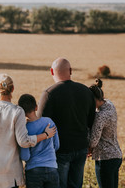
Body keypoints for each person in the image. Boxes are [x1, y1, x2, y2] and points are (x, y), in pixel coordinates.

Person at [0, 74, 57, 188]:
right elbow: (23, 141)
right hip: (8, 172)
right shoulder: (17, 112)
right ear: (12, 89)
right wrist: (46, 134)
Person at [37, 57, 96, 188]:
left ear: (52, 71)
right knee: (75, 185)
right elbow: (92, 121)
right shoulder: (86, 91)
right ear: (71, 71)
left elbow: (41, 124)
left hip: (60, 150)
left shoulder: (49, 94)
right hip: (81, 148)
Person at [18, 94, 60, 188]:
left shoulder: (24, 130)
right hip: (52, 167)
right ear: (36, 107)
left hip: (33, 171)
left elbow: (26, 156)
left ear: (21, 112)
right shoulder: (49, 122)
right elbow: (56, 145)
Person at [88, 79, 122, 188]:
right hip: (116, 155)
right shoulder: (109, 104)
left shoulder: (100, 116)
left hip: (105, 158)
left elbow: (93, 141)